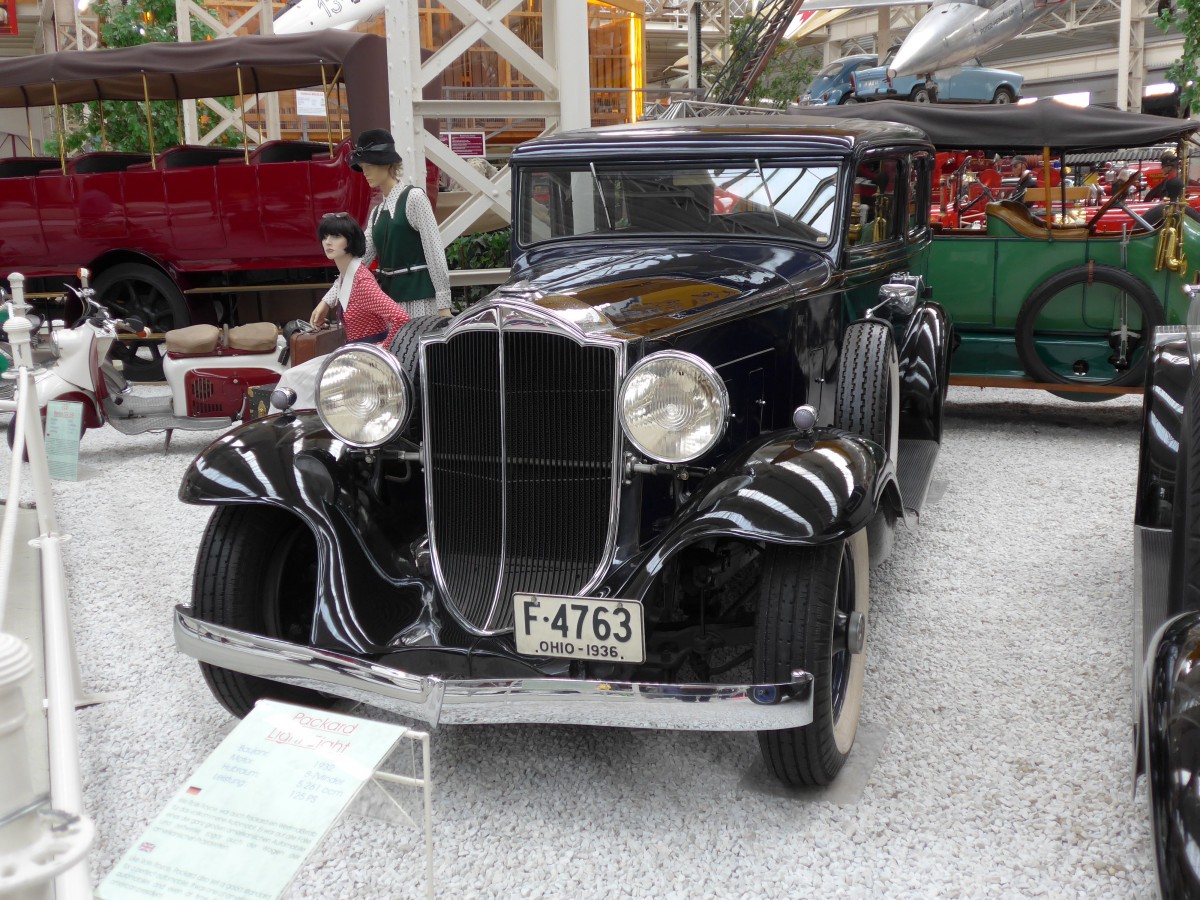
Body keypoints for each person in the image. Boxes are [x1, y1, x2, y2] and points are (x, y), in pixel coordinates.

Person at [347, 129, 451, 317]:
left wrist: (444, 305)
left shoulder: (414, 198)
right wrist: (328, 300)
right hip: (391, 306)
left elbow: (434, 251)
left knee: (417, 346)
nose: (365, 172)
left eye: (369, 165)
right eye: (362, 166)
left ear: (386, 164)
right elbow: (359, 261)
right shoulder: (377, 213)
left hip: (421, 302)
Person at [310, 212, 410, 346]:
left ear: (351, 240)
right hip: (358, 353)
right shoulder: (347, 276)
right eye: (324, 237)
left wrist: (383, 351)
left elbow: (401, 318)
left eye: (336, 236)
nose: (328, 242)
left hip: (369, 359)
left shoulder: (362, 282)